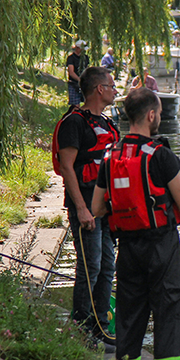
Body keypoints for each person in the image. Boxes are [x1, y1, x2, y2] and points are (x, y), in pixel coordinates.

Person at [92, 86, 180, 360]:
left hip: (128, 251)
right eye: (159, 114)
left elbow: (97, 208)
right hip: (161, 248)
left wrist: (127, 206)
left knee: (129, 317)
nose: (160, 118)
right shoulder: (160, 156)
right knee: (168, 315)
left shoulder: (109, 157)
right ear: (151, 115)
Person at [54, 66, 119, 345]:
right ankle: (79, 330)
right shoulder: (74, 122)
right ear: (99, 89)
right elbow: (68, 168)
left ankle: (100, 327)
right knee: (89, 266)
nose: (116, 90)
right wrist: (81, 208)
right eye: (112, 85)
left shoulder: (107, 124)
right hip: (86, 207)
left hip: (106, 209)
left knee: (106, 267)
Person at [66, 40, 89, 108]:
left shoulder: (86, 58)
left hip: (84, 84)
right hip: (73, 84)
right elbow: (71, 72)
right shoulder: (71, 58)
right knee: (75, 105)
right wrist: (79, 79)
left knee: (88, 102)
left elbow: (86, 69)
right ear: (78, 48)